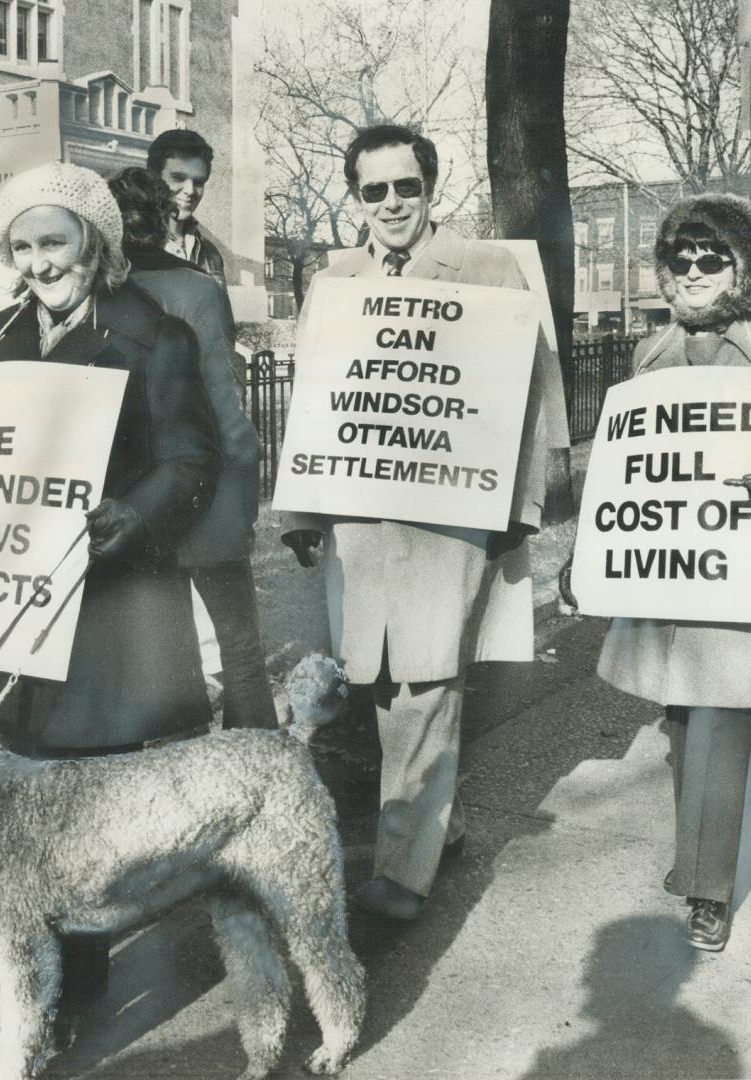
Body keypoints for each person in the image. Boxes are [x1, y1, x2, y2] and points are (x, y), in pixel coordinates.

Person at [281, 124, 558, 921]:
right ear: (356, 198)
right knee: (377, 676)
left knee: (428, 677)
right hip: (361, 516)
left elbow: (532, 393)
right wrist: (301, 507)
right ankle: (443, 823)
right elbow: (313, 397)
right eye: (375, 190)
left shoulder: (485, 268)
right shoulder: (334, 281)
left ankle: (401, 875)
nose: (392, 203)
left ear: (431, 188)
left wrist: (519, 506)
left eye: (407, 186)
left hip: (451, 511)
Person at [0, 161, 219, 1000]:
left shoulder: (158, 336)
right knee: (26, 787)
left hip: (109, 602)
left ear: (95, 244)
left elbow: (190, 460)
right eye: (23, 246)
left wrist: (133, 515)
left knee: (85, 797)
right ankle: (41, 966)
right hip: (14, 605)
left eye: (56, 242)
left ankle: (77, 984)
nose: (39, 263)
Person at [577, 193, 751, 952]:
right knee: (684, 720)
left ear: (742, 267)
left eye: (710, 259)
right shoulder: (649, 352)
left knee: (722, 719)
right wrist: (592, 549)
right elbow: (625, 465)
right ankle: (695, 860)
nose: (693, 272)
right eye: (680, 261)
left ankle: (706, 886)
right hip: (669, 569)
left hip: (741, 563)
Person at [107, 166, 277, 730]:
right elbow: (225, 405)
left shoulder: (97, 294)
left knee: (159, 658)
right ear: (165, 220)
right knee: (240, 650)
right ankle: (258, 778)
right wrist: (246, 484)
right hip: (209, 489)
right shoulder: (198, 290)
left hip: (132, 493)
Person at [147, 129, 226, 288]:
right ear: (153, 178)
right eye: (178, 178)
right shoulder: (129, 243)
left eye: (198, 182)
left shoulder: (210, 254)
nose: (190, 190)